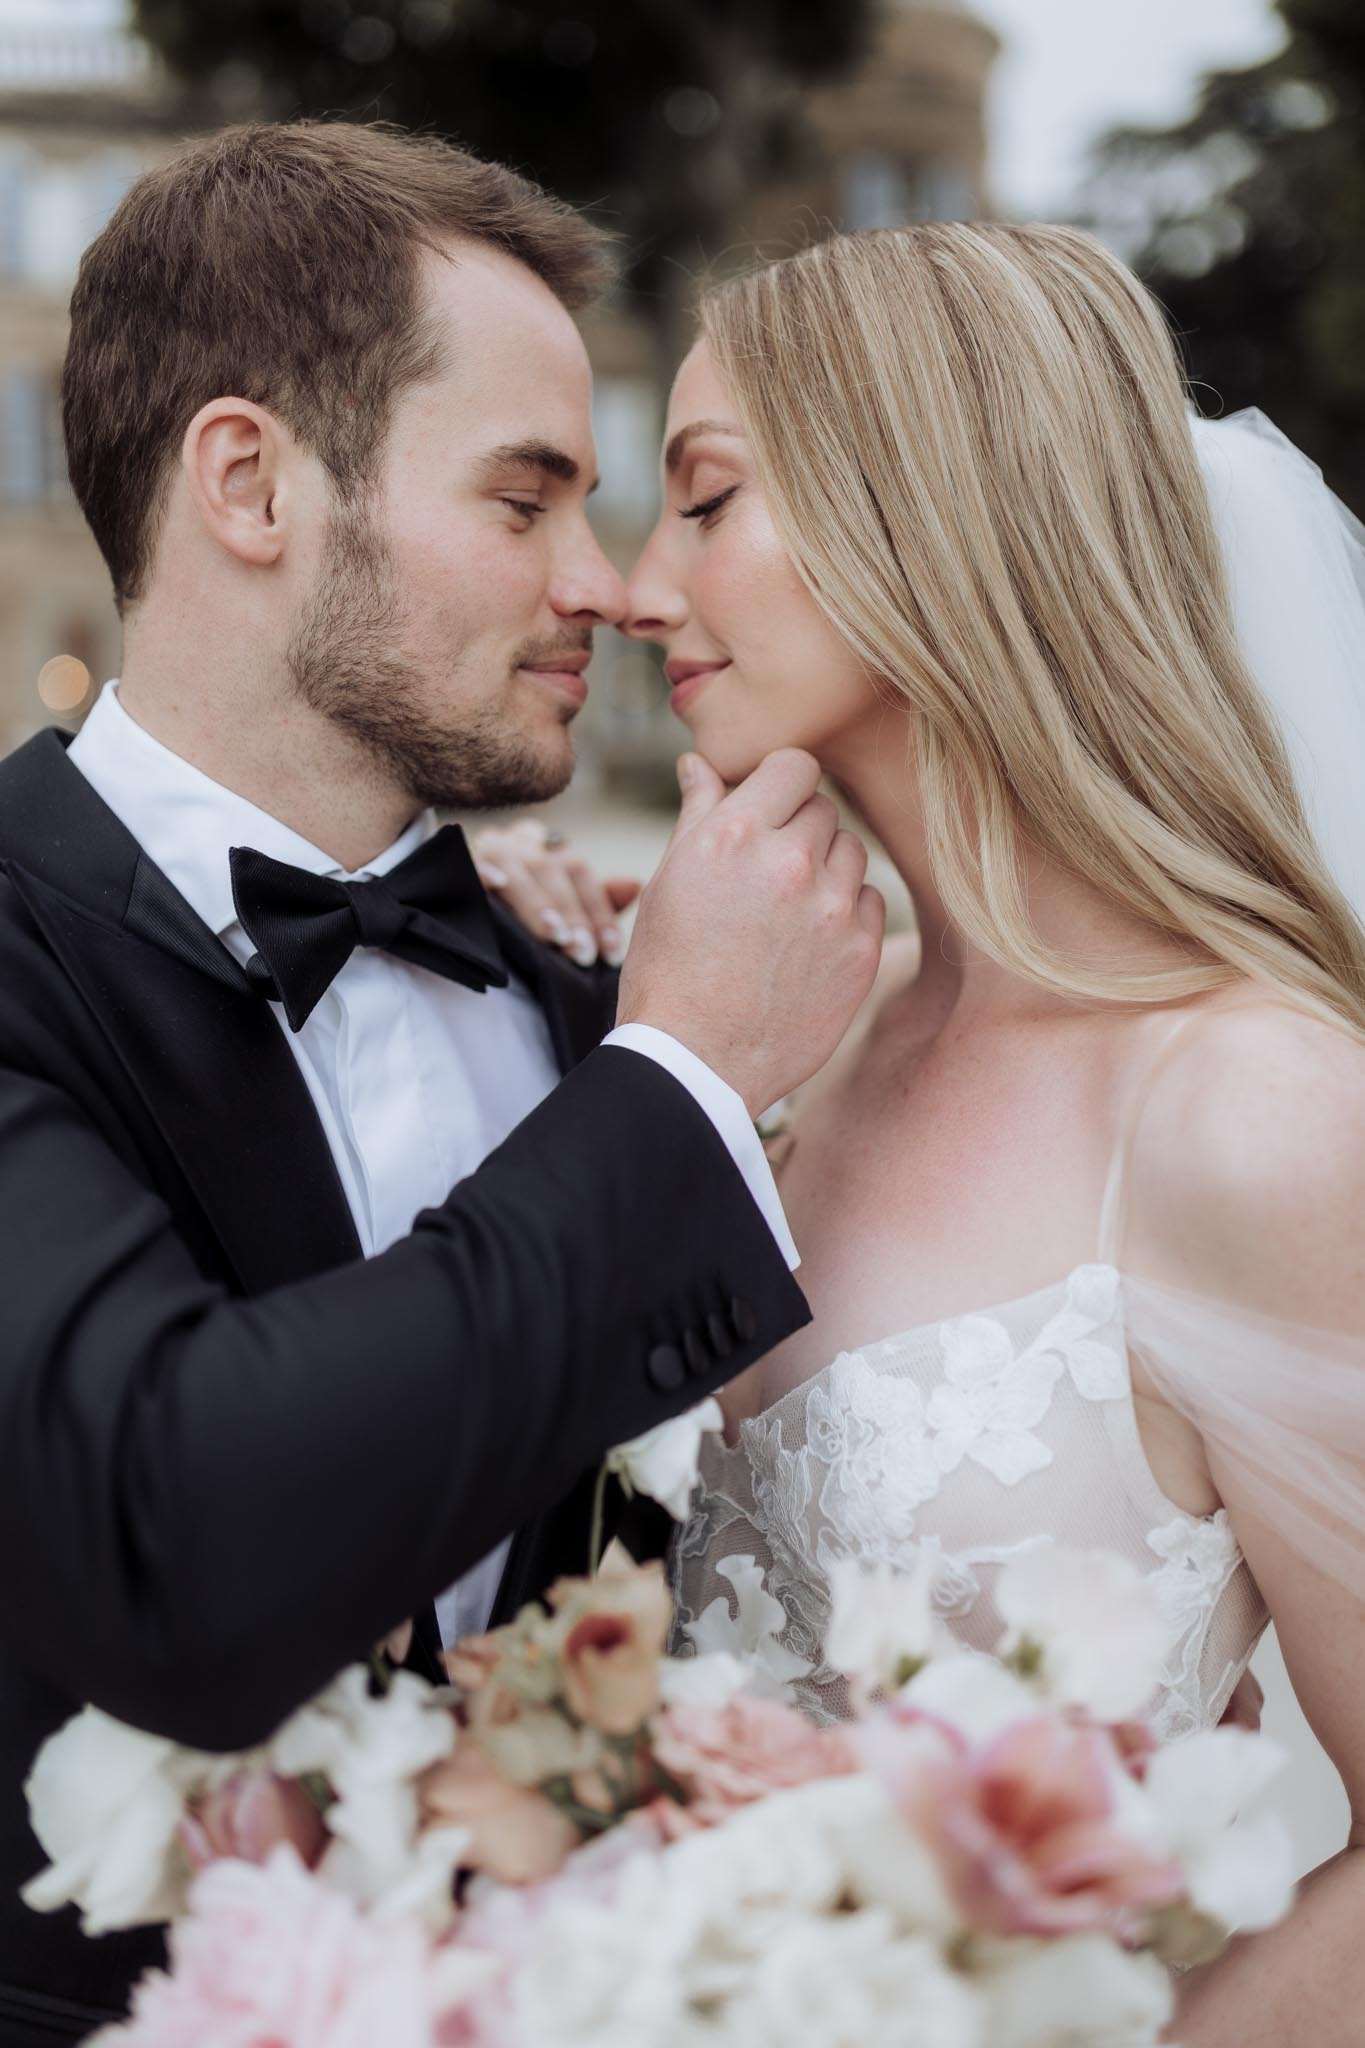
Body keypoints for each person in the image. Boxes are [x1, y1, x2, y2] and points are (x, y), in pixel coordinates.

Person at [0, 123, 885, 2041]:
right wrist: (680, 1084)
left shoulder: (582, 983)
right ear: (252, 482)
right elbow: (177, 1527)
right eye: (525, 496)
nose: (607, 582)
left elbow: (595, 1623)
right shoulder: (658, 1062)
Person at [625, 222, 1365, 2045]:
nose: (637, 590)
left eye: (703, 501)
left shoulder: (1245, 1114)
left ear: (922, 513)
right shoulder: (792, 1054)